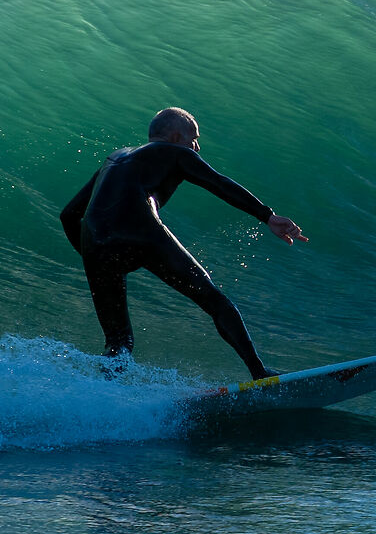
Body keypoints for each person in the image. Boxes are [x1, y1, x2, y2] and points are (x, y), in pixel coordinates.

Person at [60, 107, 306, 381]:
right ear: (176, 136)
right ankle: (260, 373)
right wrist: (267, 216)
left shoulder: (115, 158)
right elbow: (218, 183)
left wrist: (92, 258)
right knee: (215, 301)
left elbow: (69, 215)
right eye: (194, 139)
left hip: (95, 242)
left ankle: (105, 398)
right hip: (140, 229)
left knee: (119, 341)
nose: (197, 148)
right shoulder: (176, 152)